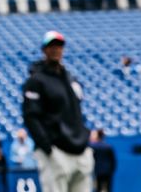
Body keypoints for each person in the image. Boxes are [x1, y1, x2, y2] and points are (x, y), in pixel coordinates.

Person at [22, 31, 94, 192]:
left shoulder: (70, 78)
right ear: (44, 50)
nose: (56, 49)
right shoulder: (36, 81)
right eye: (51, 46)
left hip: (80, 150)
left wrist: (85, 140)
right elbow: (30, 117)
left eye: (59, 46)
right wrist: (48, 148)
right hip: (56, 152)